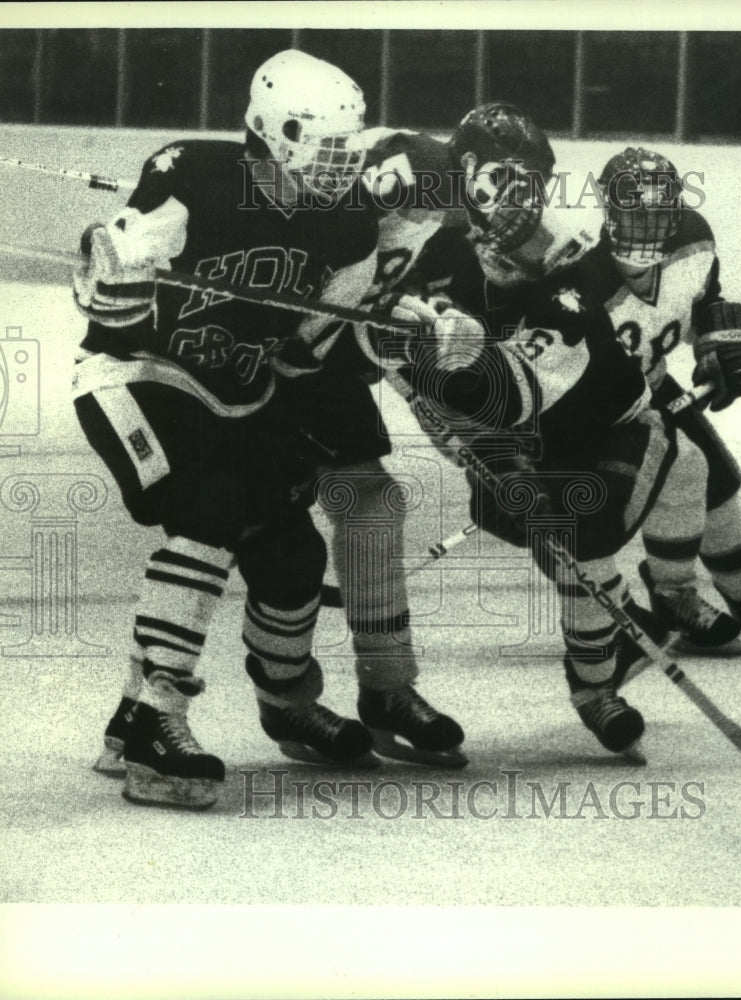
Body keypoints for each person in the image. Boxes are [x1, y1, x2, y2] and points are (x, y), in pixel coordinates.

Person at [77, 50, 460, 810]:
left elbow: (308, 347)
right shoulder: (192, 174)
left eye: (347, 147)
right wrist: (110, 269)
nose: (342, 163)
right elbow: (105, 304)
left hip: (241, 395)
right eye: (328, 146)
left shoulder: (349, 222)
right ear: (275, 132)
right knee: (209, 506)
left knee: (292, 555)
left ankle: (274, 705)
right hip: (140, 379)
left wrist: (389, 329)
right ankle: (156, 719)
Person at [385, 106, 690, 758]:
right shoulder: (427, 241)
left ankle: (594, 689)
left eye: (534, 185)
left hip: (613, 424)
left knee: (583, 530)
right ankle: (610, 645)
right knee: (540, 525)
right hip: (524, 430)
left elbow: (516, 385)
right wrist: (440, 406)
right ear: (466, 170)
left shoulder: (562, 258)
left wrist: (469, 386)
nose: (522, 201)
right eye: (507, 180)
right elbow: (400, 357)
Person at [595, 147, 741, 654]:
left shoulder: (693, 241)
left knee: (718, 481)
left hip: (653, 383)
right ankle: (673, 596)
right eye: (635, 210)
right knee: (676, 475)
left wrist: (717, 349)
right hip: (597, 404)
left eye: (660, 209)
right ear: (609, 212)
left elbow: (704, 303)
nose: (648, 221)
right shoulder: (584, 270)